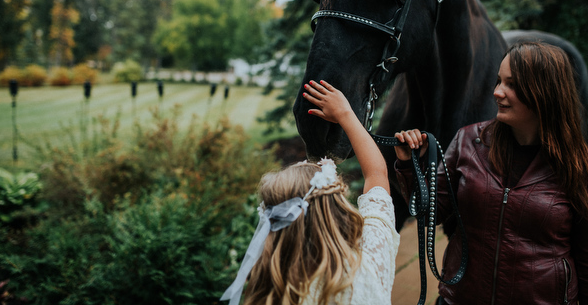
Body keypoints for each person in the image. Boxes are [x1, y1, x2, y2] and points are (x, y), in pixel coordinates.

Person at [394, 41, 588, 304]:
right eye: (498, 81)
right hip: (461, 298)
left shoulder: (578, 163)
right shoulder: (468, 141)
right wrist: (409, 165)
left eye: (512, 84)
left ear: (544, 91)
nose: (497, 92)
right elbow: (430, 212)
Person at [221, 80, 399, 305]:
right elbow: (376, 175)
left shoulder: (271, 293)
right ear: (336, 212)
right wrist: (345, 113)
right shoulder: (369, 269)